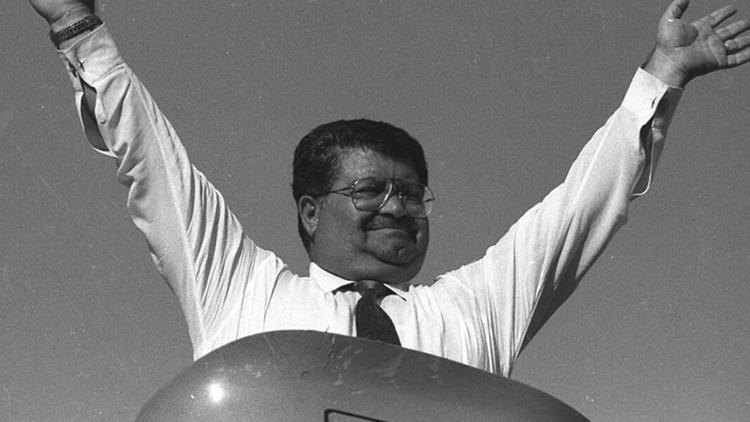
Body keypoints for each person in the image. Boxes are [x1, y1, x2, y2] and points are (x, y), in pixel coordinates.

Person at [27, 0, 749, 377]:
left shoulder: (474, 310)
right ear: (311, 211)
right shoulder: (239, 290)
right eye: (371, 191)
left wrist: (661, 76)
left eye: (413, 192)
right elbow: (157, 166)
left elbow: (578, 210)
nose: (399, 207)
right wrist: (78, 28)